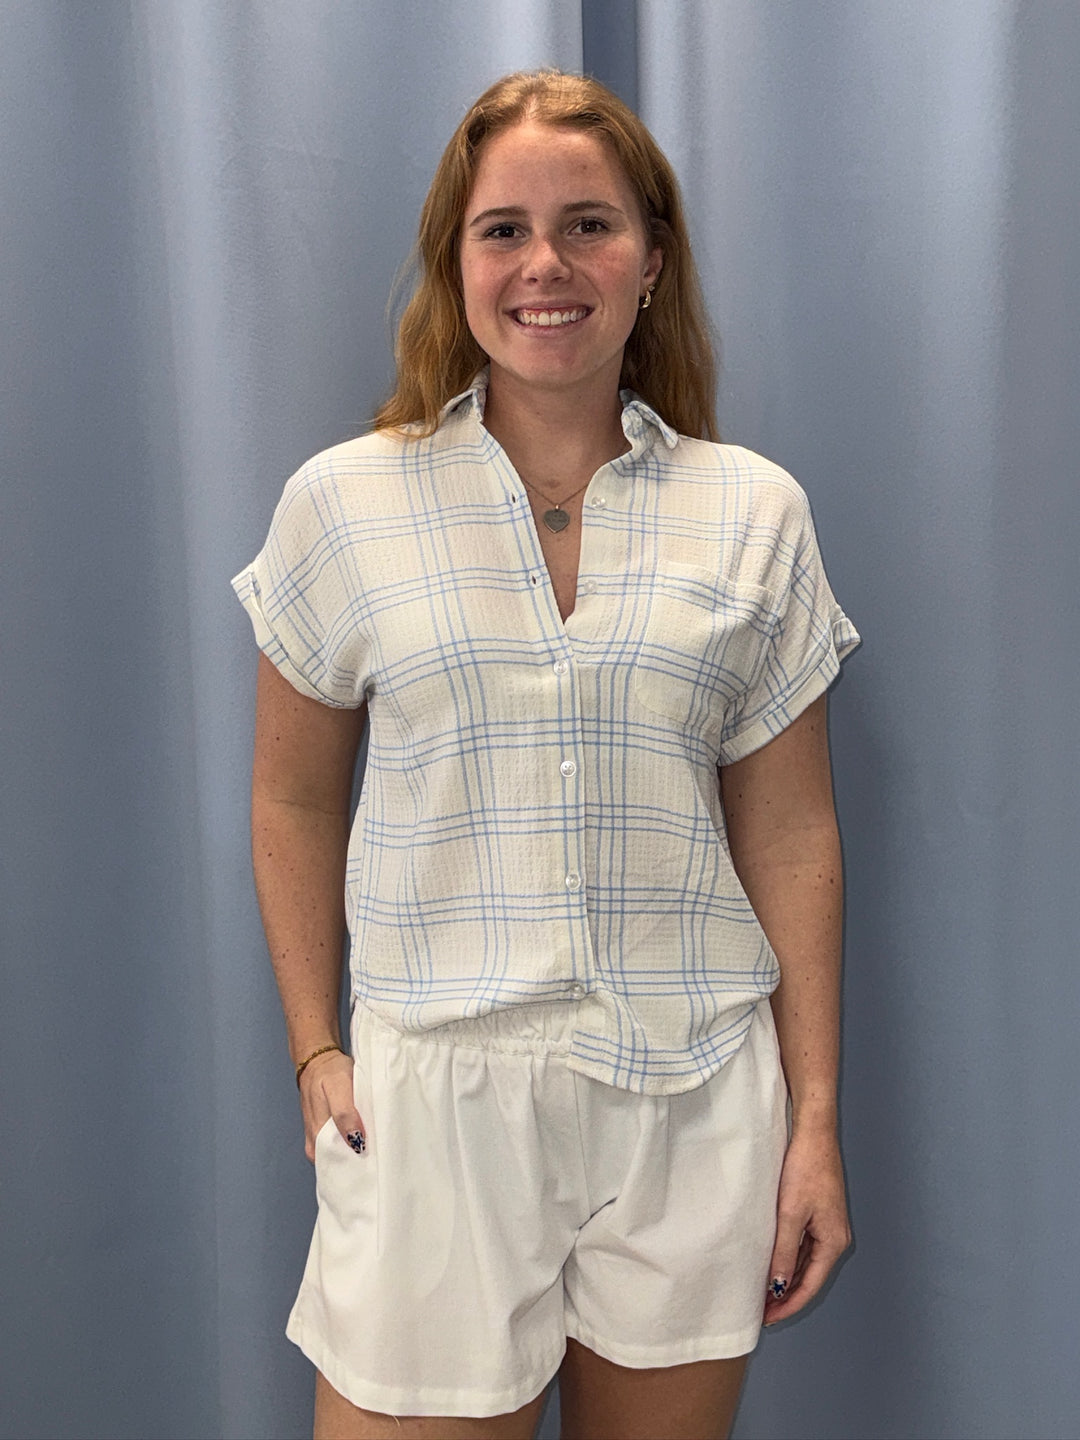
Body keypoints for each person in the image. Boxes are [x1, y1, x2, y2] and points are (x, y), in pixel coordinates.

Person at [233, 69, 860, 1440]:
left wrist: (812, 1122)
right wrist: (314, 1051)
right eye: (503, 229)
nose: (546, 265)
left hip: (692, 1101)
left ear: (651, 260)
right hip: (437, 1104)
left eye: (589, 223)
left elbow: (793, 835)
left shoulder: (752, 514)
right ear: (454, 263)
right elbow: (290, 793)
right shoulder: (347, 504)